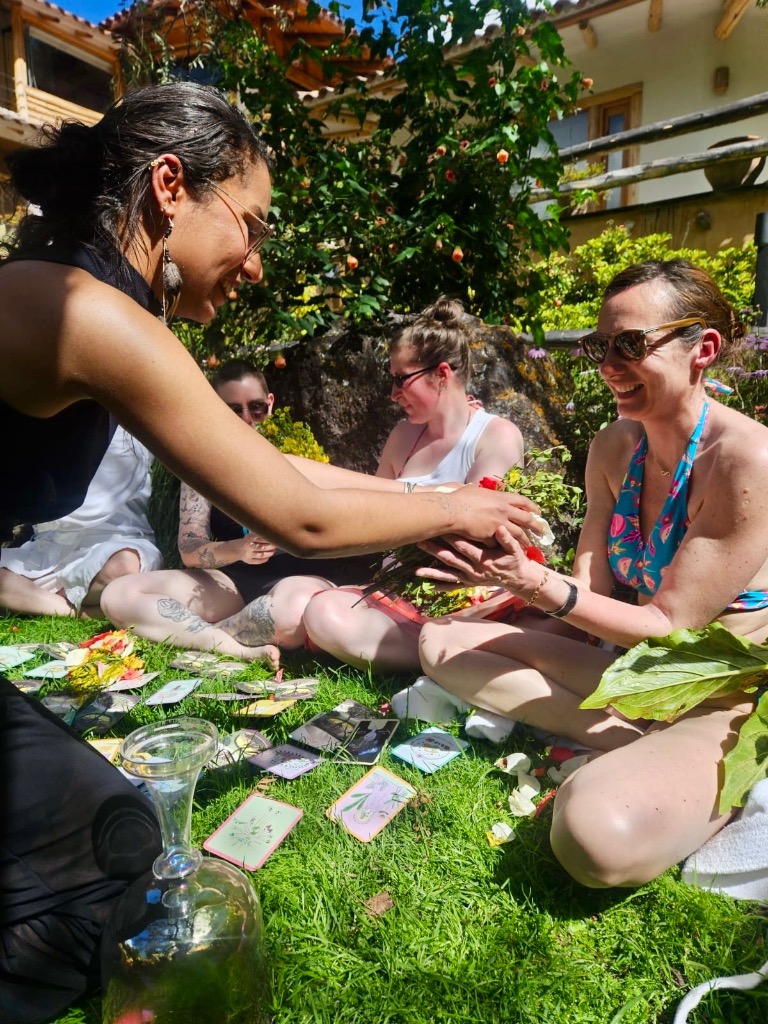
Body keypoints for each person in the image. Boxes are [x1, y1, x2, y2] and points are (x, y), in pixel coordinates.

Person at [0, 81, 536, 1022]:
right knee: (106, 863)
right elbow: (302, 517)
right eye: (250, 225)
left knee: (107, 834)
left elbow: (272, 466)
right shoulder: (87, 309)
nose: (255, 261)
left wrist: (440, 496)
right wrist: (450, 509)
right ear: (171, 186)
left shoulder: (87, 293)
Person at [417, 259, 768, 890]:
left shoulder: (747, 460)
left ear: (703, 350)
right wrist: (511, 593)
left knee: (593, 840)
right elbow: (593, 580)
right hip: (634, 672)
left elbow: (667, 624)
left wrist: (537, 587)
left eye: (630, 345)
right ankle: (636, 747)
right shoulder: (613, 446)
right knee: (440, 642)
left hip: (720, 693)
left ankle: (671, 766)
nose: (608, 365)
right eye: (598, 346)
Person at [301, 296, 525, 671]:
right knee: (314, 607)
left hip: (466, 599)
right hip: (398, 595)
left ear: (442, 374)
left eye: (401, 379)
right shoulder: (403, 437)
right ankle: (444, 657)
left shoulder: (495, 436)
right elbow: (368, 517)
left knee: (325, 615)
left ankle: (446, 653)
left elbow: (476, 542)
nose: (393, 394)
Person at [102, 359, 369, 664]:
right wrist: (240, 549)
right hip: (233, 582)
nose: (246, 419)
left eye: (255, 408)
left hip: (300, 577)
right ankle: (232, 648)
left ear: (270, 405)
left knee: (293, 611)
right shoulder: (204, 469)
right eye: (233, 410)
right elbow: (190, 550)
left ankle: (195, 636)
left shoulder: (299, 456)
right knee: (119, 594)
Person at [0, 424, 162, 618]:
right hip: (47, 550)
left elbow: (94, 507)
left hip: (113, 543)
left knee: (124, 565)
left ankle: (35, 598)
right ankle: (74, 610)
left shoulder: (129, 430)